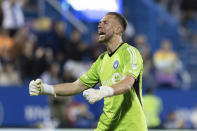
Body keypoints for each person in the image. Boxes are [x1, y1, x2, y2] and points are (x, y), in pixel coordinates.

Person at [29, 12, 147, 131]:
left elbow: (127, 84)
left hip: (131, 127)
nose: (100, 26)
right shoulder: (101, 61)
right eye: (99, 23)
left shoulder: (130, 52)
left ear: (118, 29)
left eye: (105, 23)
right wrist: (45, 89)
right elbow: (76, 86)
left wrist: (103, 92)